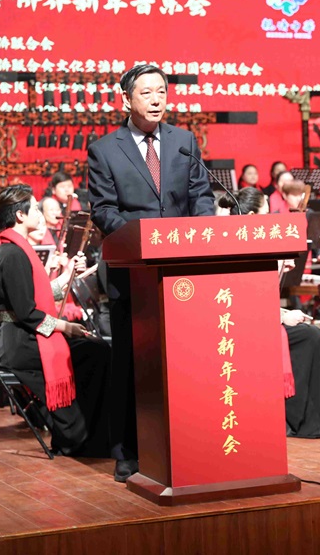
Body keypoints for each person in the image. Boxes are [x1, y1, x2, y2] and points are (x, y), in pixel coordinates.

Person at [87, 62, 215, 482]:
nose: (156, 99)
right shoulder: (105, 149)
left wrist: (203, 234)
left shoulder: (183, 141)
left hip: (182, 271)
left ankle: (187, 439)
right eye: (146, 92)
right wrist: (145, 240)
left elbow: (200, 195)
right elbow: (103, 210)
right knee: (131, 359)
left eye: (161, 91)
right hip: (133, 272)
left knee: (184, 357)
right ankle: (127, 450)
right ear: (126, 99)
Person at [0, 185, 109, 456]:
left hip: (21, 335)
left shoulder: (8, 248)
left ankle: (81, 431)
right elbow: (27, 313)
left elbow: (32, 297)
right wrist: (67, 327)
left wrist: (69, 276)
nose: (39, 213)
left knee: (95, 349)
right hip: (21, 342)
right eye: (35, 208)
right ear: (20, 215)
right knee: (96, 352)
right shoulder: (13, 253)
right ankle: (77, 434)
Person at [224, 187, 320, 438]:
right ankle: (306, 419)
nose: (270, 218)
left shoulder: (252, 242)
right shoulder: (238, 247)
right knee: (309, 337)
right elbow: (243, 303)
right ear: (251, 216)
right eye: (266, 213)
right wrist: (283, 317)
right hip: (243, 328)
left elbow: (259, 299)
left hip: (260, 319)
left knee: (310, 333)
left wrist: (283, 310)